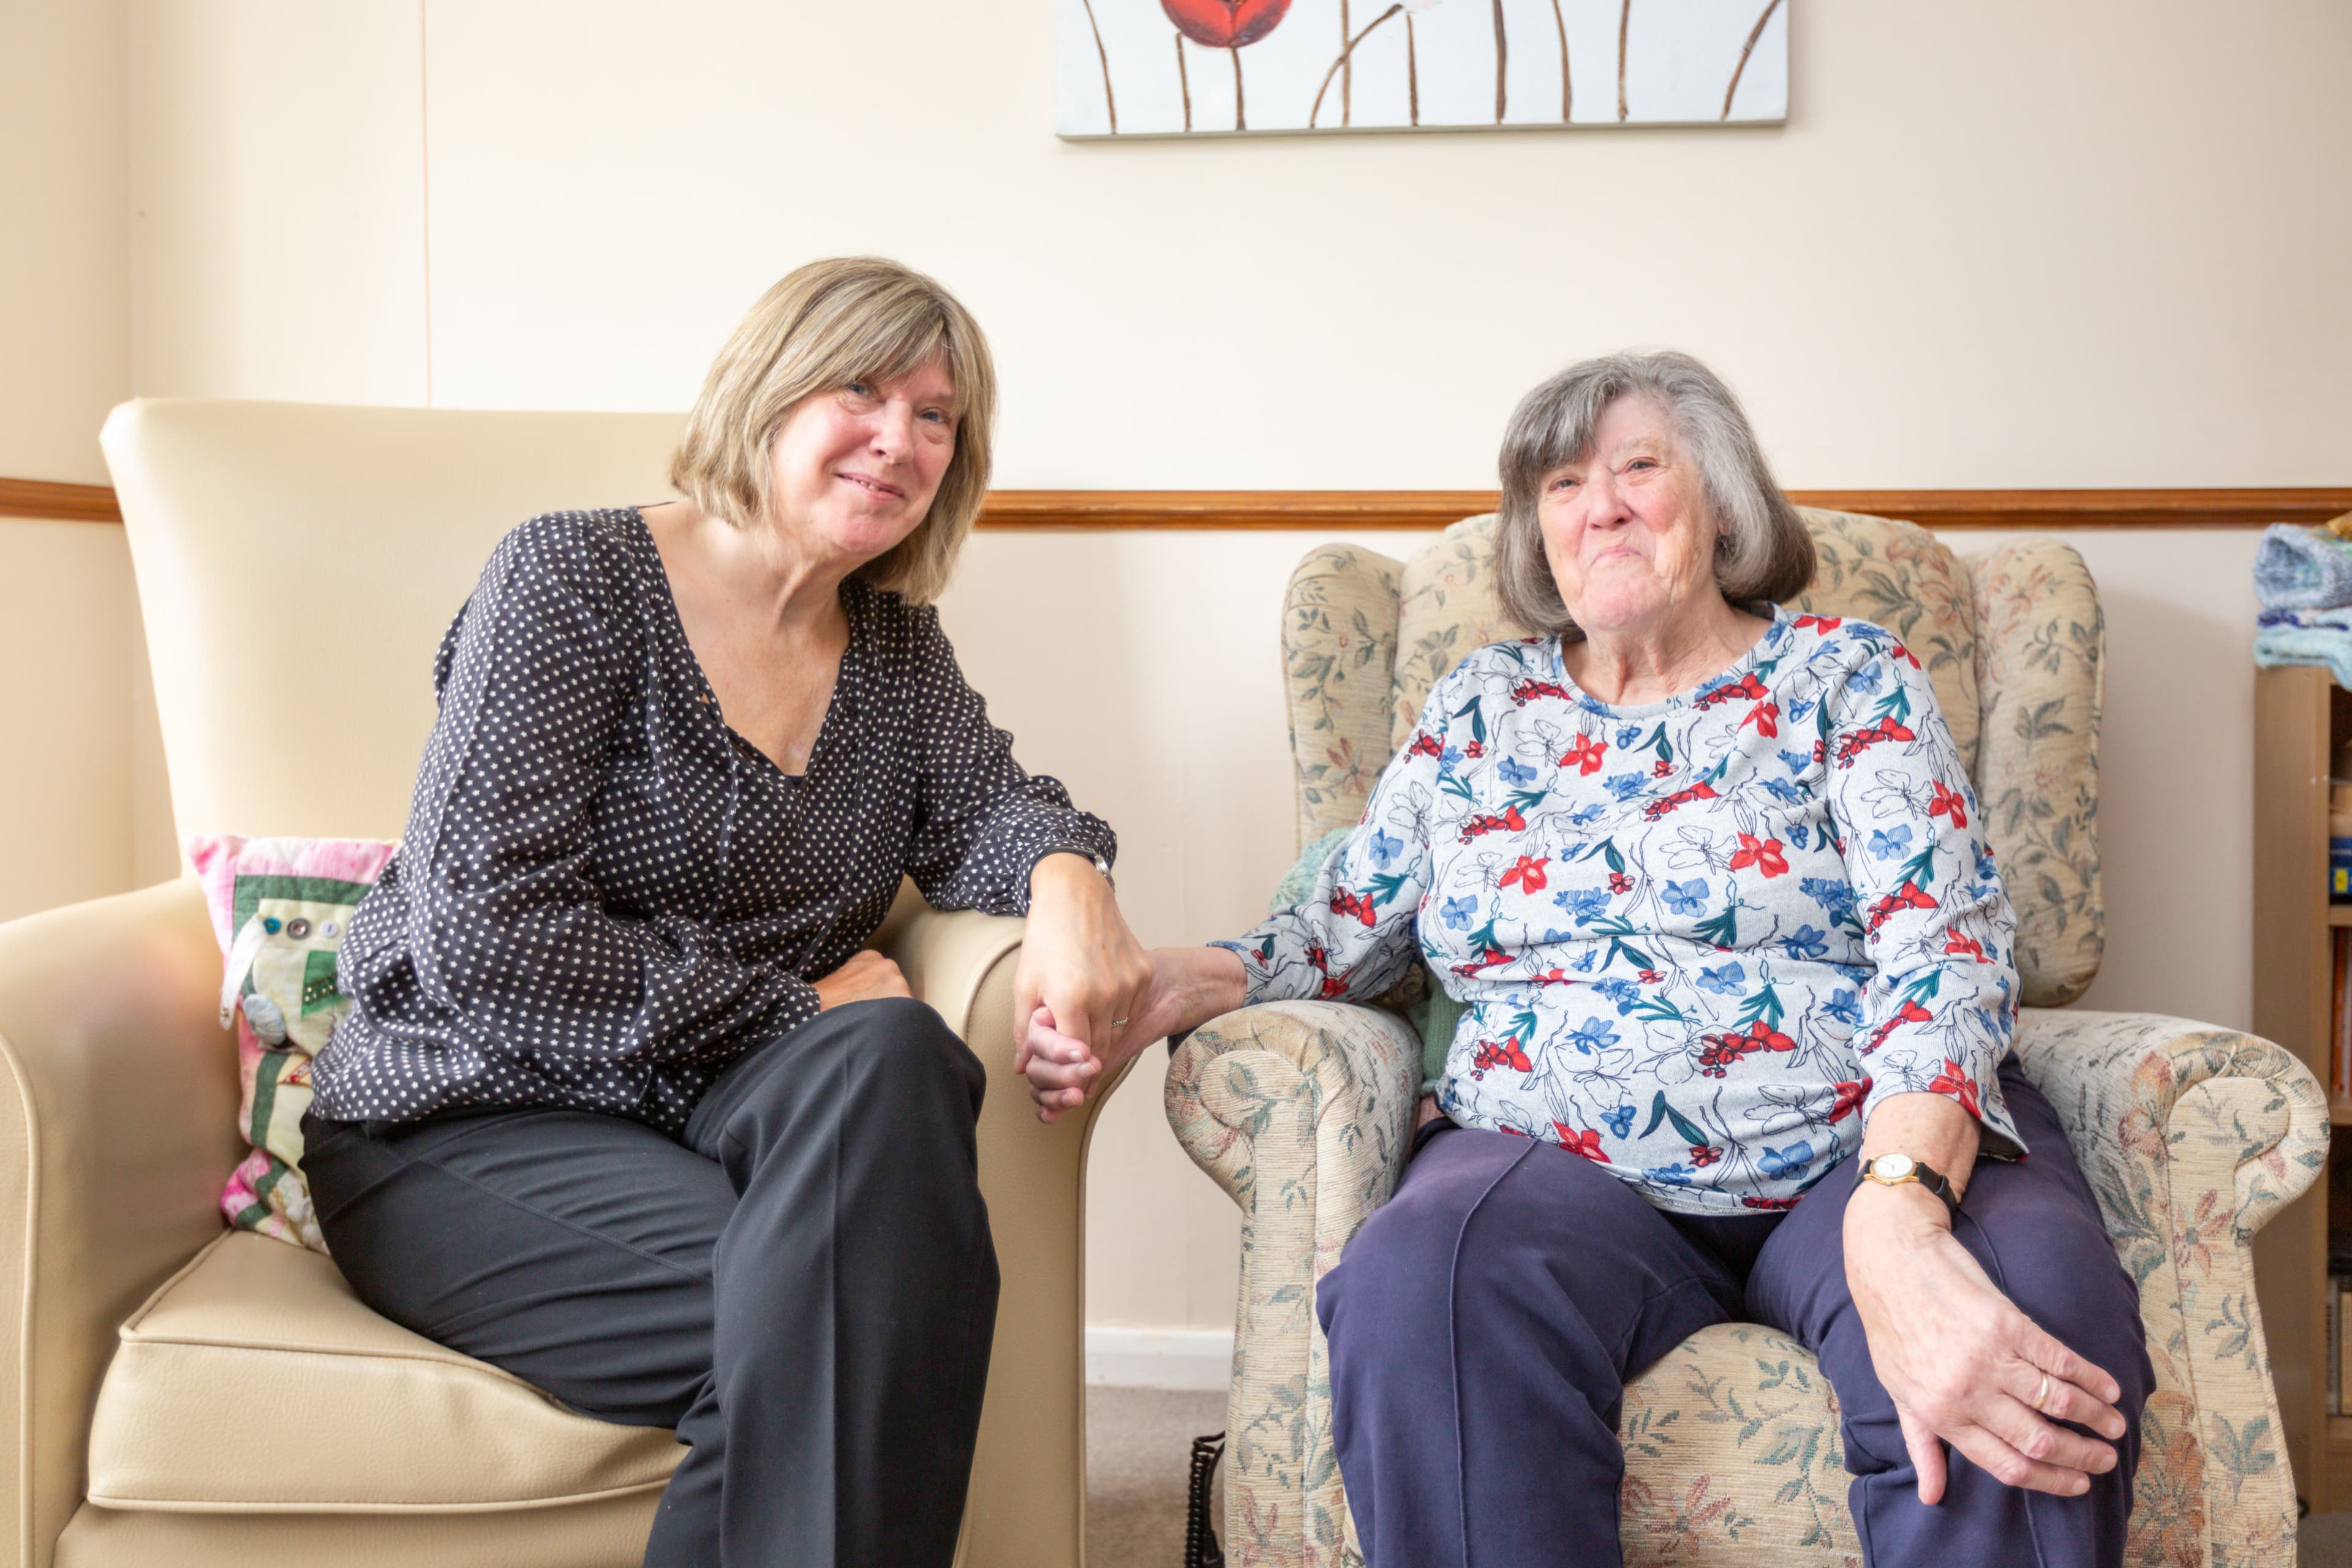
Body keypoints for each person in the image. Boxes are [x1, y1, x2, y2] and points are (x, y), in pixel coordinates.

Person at [1023, 351, 2152, 1567]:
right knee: (1423, 1283)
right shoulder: (1480, 708)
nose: (1597, 504)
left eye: (1635, 468)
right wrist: (1163, 983)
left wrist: (1901, 1209)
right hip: (1558, 1161)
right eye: (1561, 483)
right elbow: (1338, 929)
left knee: (2031, 1308)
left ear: (1722, 504)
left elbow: (1944, 950)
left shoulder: (1848, 678)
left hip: (1853, 1138)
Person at [301, 256, 1151, 1568]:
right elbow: (485, 931)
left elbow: (995, 811)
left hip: (710, 1119)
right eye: (861, 388)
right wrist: (790, 1000)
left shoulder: (894, 650)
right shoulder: (572, 580)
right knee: (871, 1308)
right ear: (765, 391)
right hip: (469, 1111)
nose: (901, 438)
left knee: (894, 1050)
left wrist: (1069, 879)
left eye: (938, 415)